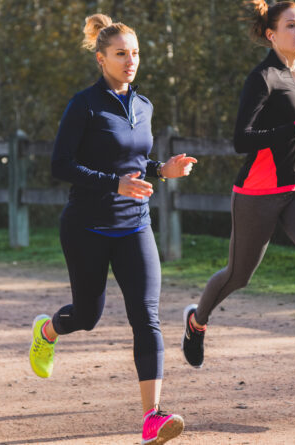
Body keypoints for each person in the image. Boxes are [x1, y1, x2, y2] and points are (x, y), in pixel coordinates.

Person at [29, 13, 197, 445]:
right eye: (121, 54)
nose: (130, 61)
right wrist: (114, 184)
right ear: (101, 59)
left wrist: (163, 170)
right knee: (87, 316)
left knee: (148, 316)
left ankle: (152, 417)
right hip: (86, 226)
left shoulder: (144, 106)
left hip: (135, 225)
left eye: (135, 53)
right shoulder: (84, 104)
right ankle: (49, 331)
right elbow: (59, 165)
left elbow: (137, 163)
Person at [181, 0, 295, 393]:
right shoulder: (263, 77)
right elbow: (243, 140)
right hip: (258, 193)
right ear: (272, 34)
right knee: (239, 276)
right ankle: (198, 320)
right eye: (291, 25)